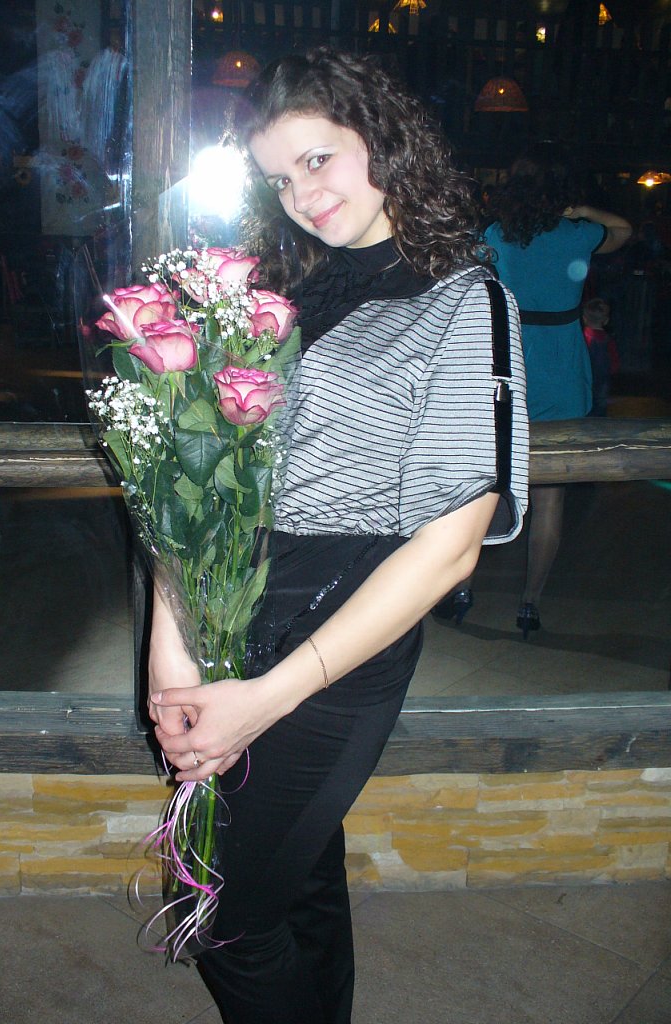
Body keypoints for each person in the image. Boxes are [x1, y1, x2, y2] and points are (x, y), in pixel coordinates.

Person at [146, 48, 528, 1024]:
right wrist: (170, 645)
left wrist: (264, 699)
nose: (303, 195)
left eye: (318, 159)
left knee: (218, 909)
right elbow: (192, 478)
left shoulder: (462, 301)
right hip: (226, 615)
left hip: (336, 645)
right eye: (280, 178)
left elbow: (450, 546)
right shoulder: (273, 295)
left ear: (384, 140)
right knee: (300, 877)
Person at [436, 143, 631, 638]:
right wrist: (582, 211)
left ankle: (462, 590)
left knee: (483, 487)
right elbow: (624, 230)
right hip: (562, 369)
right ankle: (529, 604)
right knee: (551, 498)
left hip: (506, 368)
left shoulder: (495, 235)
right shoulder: (578, 234)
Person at [582, 297, 619, 416]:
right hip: (603, 379)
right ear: (606, 320)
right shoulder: (608, 340)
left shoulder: (583, 338)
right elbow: (614, 361)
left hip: (585, 377)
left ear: (584, 319)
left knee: (584, 401)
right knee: (600, 404)